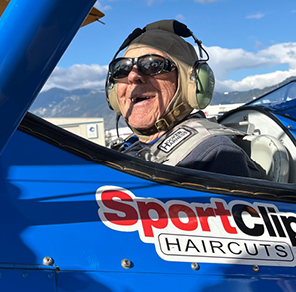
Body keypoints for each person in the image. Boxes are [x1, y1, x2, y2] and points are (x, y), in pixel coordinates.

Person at [108, 19, 264, 179]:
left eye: (153, 65)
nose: (133, 76)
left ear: (190, 84)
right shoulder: (129, 147)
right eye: (122, 69)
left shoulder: (214, 154)